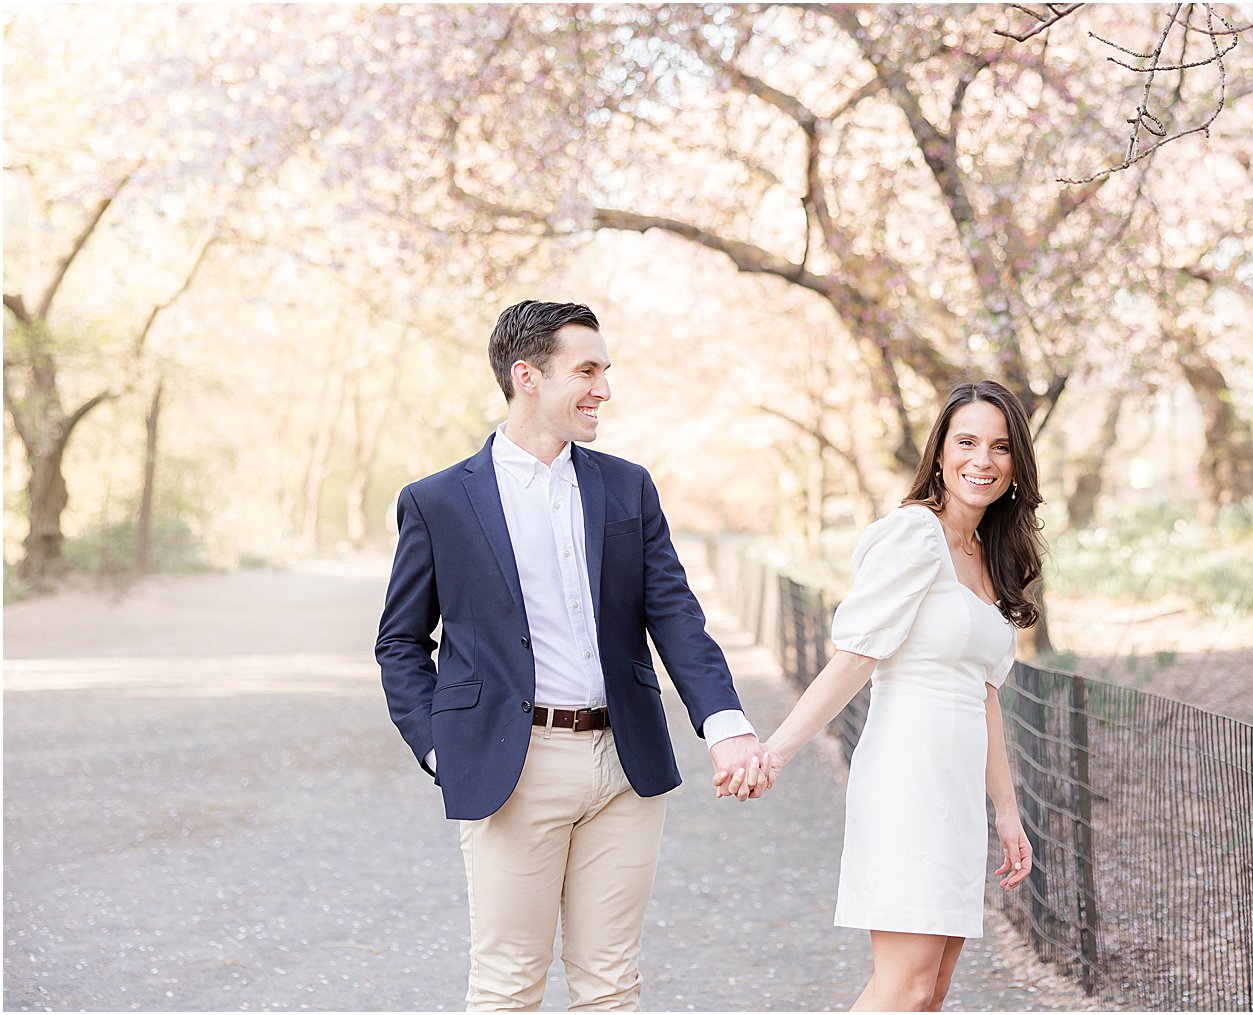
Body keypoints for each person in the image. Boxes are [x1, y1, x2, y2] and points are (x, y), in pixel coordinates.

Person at [377, 300, 770, 1012]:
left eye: (606, 370)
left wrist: (726, 721)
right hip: (511, 767)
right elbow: (401, 641)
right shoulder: (437, 501)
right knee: (507, 985)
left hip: (625, 765)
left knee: (612, 984)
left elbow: (674, 612)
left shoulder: (626, 486)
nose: (604, 390)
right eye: (586, 370)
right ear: (527, 376)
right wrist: (443, 748)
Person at [719, 379, 1041, 1012]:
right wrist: (775, 752)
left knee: (931, 990)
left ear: (1015, 464)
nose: (982, 460)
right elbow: (855, 658)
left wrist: (1006, 811)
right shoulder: (914, 536)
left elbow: (984, 695)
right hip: (907, 779)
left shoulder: (988, 556)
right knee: (908, 984)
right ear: (940, 453)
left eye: (1000, 447)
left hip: (954, 788)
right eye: (966, 442)